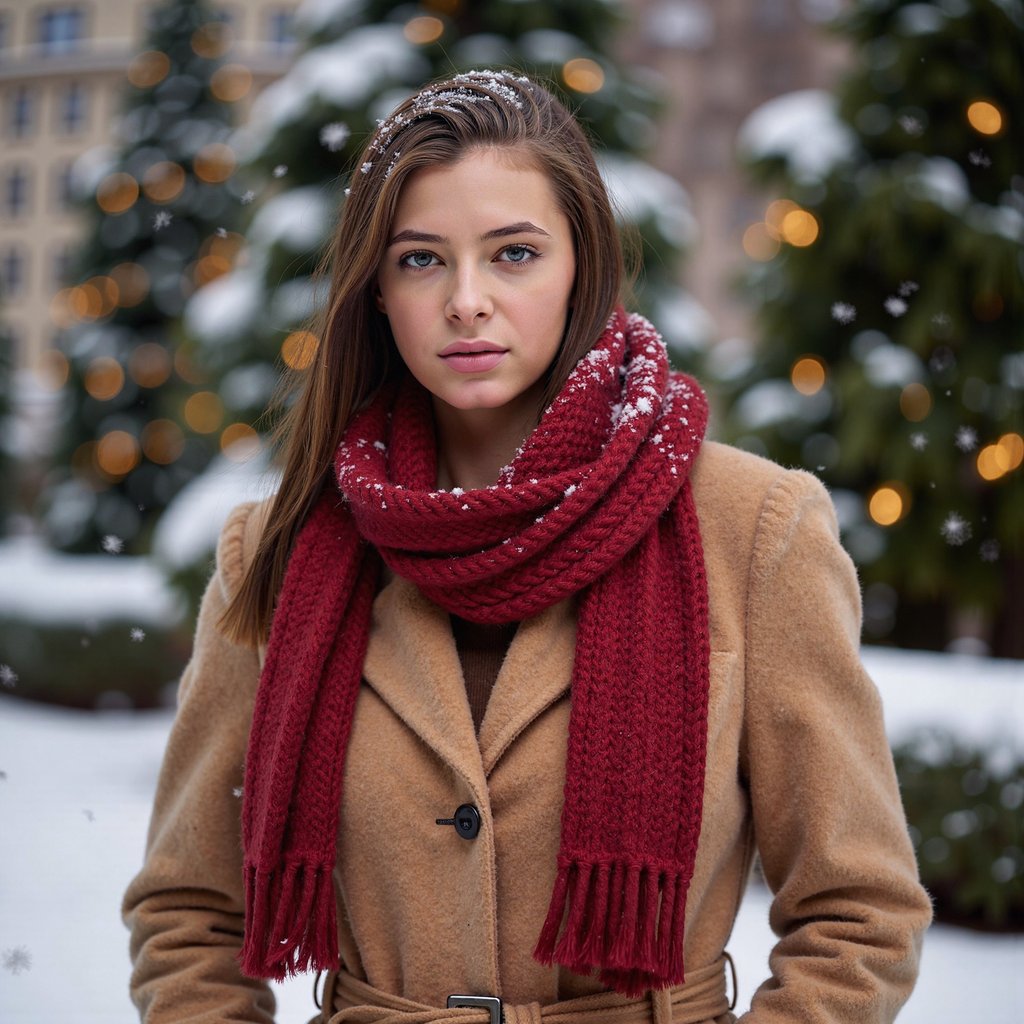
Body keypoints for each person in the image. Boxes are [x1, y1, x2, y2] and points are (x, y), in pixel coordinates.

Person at [123, 70, 932, 1024]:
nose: (467, 300)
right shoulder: (281, 547)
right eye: (420, 260)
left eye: (514, 253)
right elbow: (189, 912)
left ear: (582, 266)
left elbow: (858, 913)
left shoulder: (754, 529)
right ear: (376, 290)